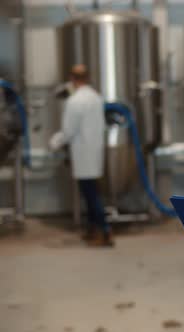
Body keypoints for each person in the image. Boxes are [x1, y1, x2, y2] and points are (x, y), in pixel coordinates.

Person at [50, 64, 112, 247]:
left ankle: (104, 231)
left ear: (72, 79)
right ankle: (93, 230)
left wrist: (54, 142)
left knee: (91, 194)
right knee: (91, 192)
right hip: (95, 151)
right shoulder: (96, 97)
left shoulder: (75, 101)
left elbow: (69, 130)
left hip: (83, 153)